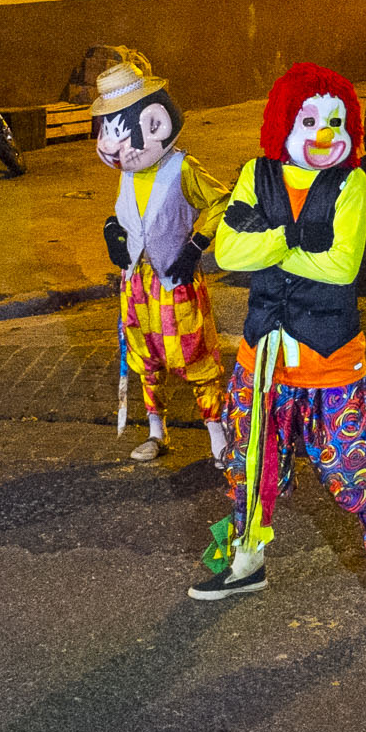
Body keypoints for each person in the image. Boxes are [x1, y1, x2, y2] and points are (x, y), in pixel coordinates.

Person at [189, 62, 366, 635]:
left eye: (337, 121)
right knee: (249, 468)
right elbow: (226, 255)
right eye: (310, 119)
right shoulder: (255, 174)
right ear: (283, 123)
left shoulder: (353, 183)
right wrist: (294, 237)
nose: (325, 133)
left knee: (356, 471)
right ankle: (246, 564)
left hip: (331, 364)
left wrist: (263, 243)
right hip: (261, 361)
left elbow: (341, 267)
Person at [91, 57, 232, 464]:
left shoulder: (182, 168)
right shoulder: (127, 173)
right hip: (136, 285)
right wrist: (113, 230)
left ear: (155, 122)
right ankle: (157, 432)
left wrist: (196, 245)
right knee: (146, 356)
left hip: (175, 281)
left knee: (195, 357)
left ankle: (217, 437)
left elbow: (223, 201)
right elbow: (126, 214)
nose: (109, 147)